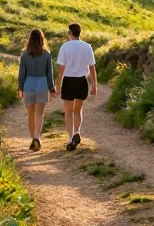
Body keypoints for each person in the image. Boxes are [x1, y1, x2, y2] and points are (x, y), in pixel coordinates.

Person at [55, 22, 97, 151]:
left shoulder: (65, 47)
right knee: (78, 110)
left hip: (68, 80)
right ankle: (77, 132)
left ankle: (70, 137)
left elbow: (61, 69)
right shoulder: (87, 47)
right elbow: (92, 67)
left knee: (68, 111)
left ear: (70, 33)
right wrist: (94, 85)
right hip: (82, 81)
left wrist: (58, 85)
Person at [18, 28, 56, 151]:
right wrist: (51, 88)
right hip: (42, 84)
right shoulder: (46, 54)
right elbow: (49, 74)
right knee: (39, 114)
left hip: (28, 84)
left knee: (30, 115)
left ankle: (33, 138)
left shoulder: (24, 54)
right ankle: (37, 138)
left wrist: (20, 88)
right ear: (41, 39)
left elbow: (21, 74)